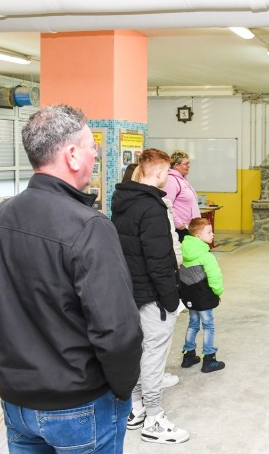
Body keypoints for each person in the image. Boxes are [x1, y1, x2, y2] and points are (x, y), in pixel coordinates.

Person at [0, 104, 143, 452]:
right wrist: (121, 389)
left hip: (16, 403)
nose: (96, 154)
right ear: (71, 155)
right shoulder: (90, 227)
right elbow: (117, 331)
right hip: (80, 404)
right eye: (91, 146)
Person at [112, 148, 189, 444]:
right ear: (158, 172)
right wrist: (171, 300)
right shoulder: (153, 206)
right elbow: (159, 261)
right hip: (153, 294)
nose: (168, 177)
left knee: (139, 350)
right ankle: (154, 419)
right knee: (154, 354)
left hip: (130, 290)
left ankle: (136, 407)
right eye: (167, 172)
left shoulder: (122, 201)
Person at [179, 217, 226, 373]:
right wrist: (218, 292)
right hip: (203, 296)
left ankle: (188, 355)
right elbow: (215, 277)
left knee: (193, 323)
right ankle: (209, 359)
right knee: (208, 326)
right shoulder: (206, 256)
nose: (212, 234)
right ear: (198, 236)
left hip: (189, 296)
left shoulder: (183, 251)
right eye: (209, 232)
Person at [163, 150, 200, 242]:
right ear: (176, 165)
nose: (189, 166)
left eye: (189, 163)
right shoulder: (171, 180)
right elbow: (167, 205)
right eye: (186, 164)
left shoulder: (182, 179)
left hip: (189, 227)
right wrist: (180, 225)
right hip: (181, 229)